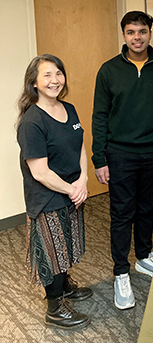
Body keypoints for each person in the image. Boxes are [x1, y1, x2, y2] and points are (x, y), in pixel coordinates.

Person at [92, 11, 153, 309]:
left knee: (147, 208)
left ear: (150, 34)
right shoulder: (108, 71)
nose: (137, 37)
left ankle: (143, 256)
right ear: (124, 35)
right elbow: (100, 116)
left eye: (142, 31)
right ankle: (120, 272)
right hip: (120, 154)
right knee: (121, 213)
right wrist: (99, 158)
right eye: (131, 32)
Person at [17, 54, 92, 329]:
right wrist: (72, 189)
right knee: (52, 251)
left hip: (72, 189)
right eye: (47, 75)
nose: (54, 80)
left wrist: (83, 179)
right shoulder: (31, 121)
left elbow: (80, 146)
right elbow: (40, 172)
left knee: (68, 245)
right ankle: (54, 308)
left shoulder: (69, 109)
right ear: (34, 83)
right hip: (48, 196)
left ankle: (65, 286)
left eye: (58, 73)